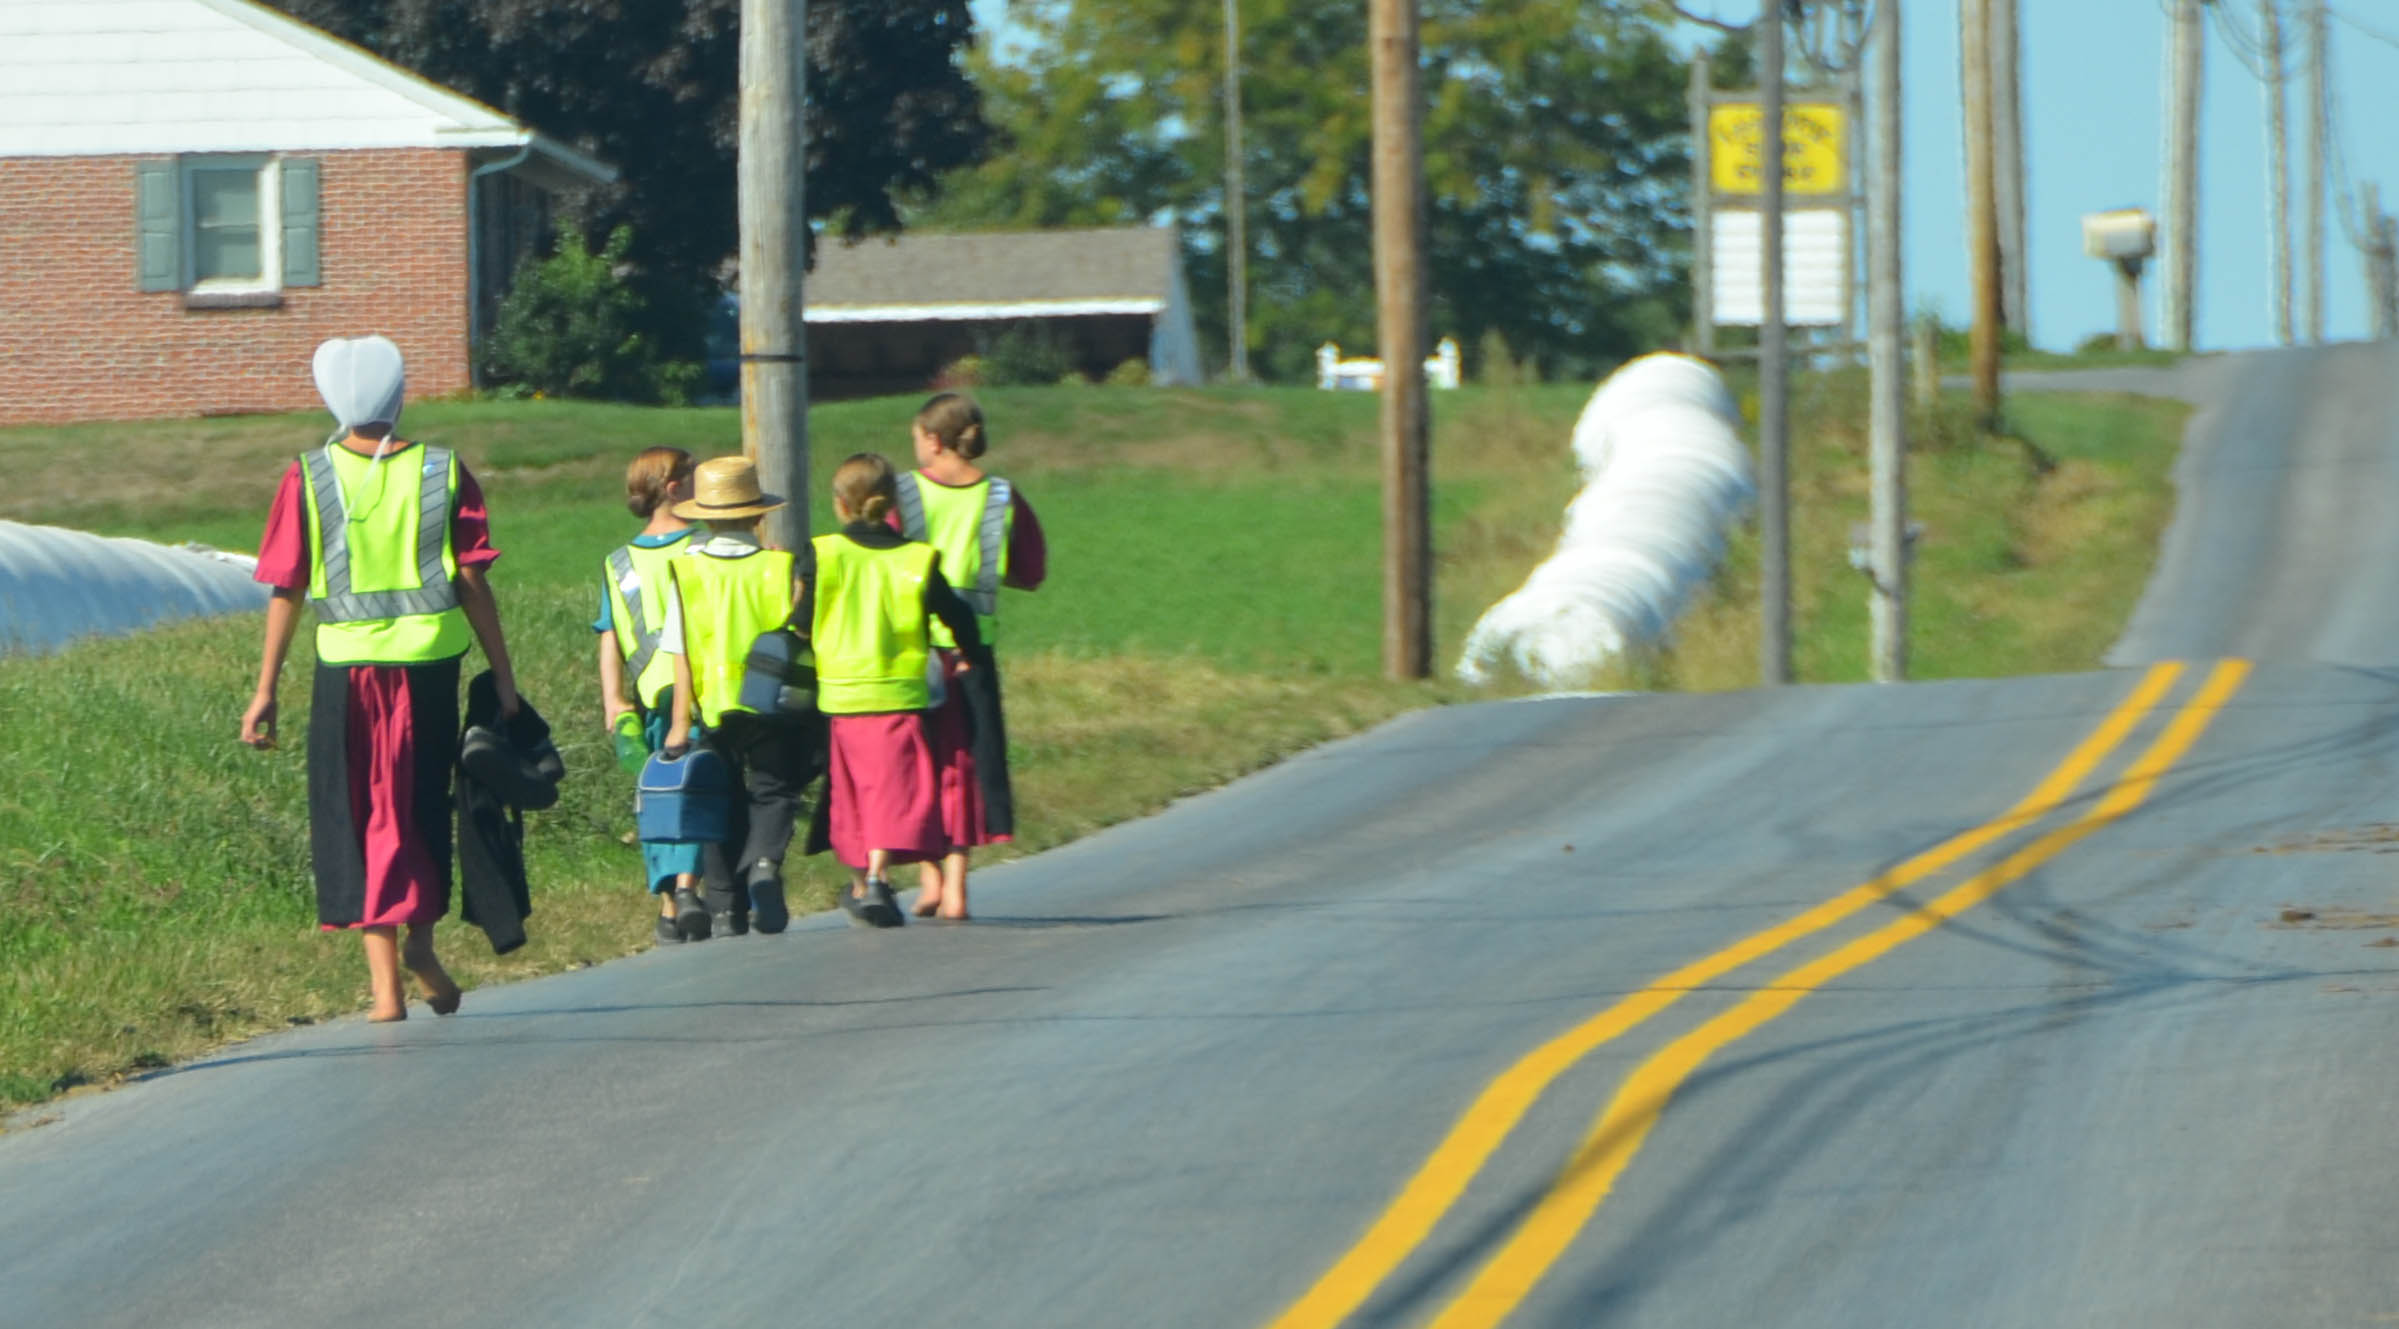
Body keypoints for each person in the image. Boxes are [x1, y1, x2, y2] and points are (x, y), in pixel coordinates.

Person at [240, 335, 520, 1023]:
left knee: (358, 814)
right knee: (420, 806)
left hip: (346, 671)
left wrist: (265, 688)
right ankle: (422, 944)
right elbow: (473, 581)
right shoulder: (443, 470)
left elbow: (287, 587)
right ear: (399, 395)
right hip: (430, 666)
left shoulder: (306, 476)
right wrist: (504, 678)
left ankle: (385, 988)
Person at [808, 452, 988, 927]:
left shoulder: (824, 553)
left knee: (854, 795)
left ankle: (867, 880)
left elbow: (799, 623)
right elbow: (959, 616)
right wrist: (966, 653)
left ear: (841, 504)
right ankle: (876, 878)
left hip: (843, 694)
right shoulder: (916, 559)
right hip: (900, 694)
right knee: (892, 790)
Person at [893, 393, 1045, 921]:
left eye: (916, 439)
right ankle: (957, 885)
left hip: (912, 648)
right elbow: (1029, 570)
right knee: (965, 763)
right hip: (974, 648)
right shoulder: (1003, 496)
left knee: (919, 763)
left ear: (934, 441)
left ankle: (929, 878)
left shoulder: (904, 493)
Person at [660, 455, 820, 937]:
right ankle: (766, 863)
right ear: (758, 515)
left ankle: (727, 906)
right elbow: (796, 638)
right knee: (773, 789)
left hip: (713, 703)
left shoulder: (685, 572)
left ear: (704, 517)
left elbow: (680, 649)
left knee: (718, 798)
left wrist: (680, 720)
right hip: (770, 701)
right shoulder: (778, 567)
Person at [595, 447, 709, 945]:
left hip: (646, 695)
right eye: (694, 476)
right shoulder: (702, 548)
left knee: (655, 795)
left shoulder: (618, 563)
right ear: (675, 487)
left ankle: (667, 903)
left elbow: (609, 637)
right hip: (700, 690)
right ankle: (688, 887)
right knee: (697, 789)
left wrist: (612, 700)